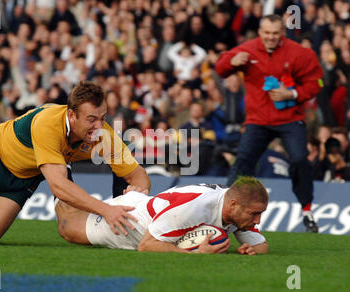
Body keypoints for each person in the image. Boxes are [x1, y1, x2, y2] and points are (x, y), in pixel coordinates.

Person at [0, 81, 151, 244]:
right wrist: (107, 210)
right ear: (72, 115)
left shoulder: (104, 135)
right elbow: (59, 186)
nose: (98, 126)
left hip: (21, 180)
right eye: (91, 119)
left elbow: (137, 174)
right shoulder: (48, 123)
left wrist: (136, 193)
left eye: (102, 118)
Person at [215, 14, 323, 233]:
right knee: (243, 161)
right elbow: (220, 67)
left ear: (282, 32)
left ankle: (307, 210)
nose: (271, 37)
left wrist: (291, 93)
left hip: (290, 118)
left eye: (275, 33)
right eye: (266, 33)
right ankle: (221, 212)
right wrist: (230, 63)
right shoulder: (248, 49)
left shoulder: (298, 53)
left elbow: (317, 82)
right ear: (260, 32)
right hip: (258, 120)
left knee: (300, 159)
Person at [55, 176, 269, 255]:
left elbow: (261, 245)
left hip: (153, 210)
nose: (257, 220)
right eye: (255, 214)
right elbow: (146, 246)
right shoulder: (195, 207)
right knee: (67, 228)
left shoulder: (238, 211)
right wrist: (194, 255)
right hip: (130, 223)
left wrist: (251, 249)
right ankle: (62, 179)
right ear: (234, 205)